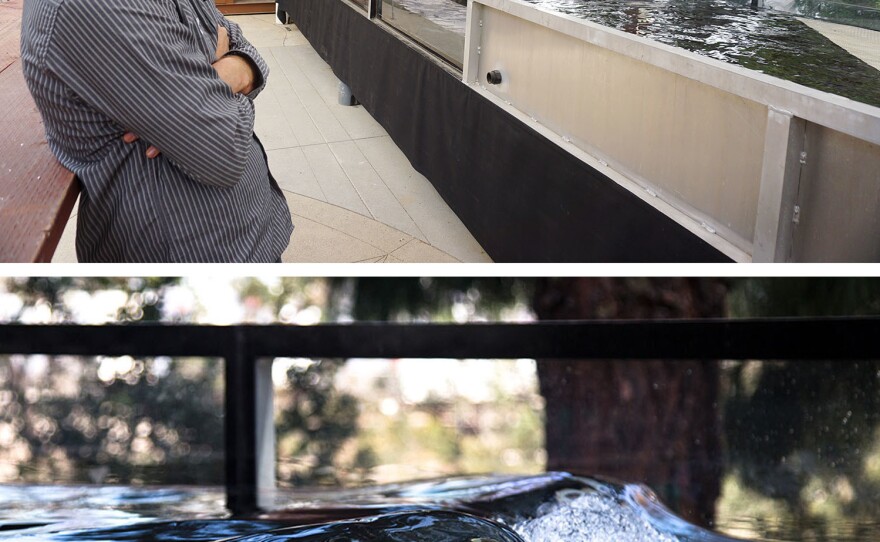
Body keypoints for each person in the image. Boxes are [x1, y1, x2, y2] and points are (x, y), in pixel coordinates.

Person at [20, 0, 294, 262]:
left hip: (247, 228)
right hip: (193, 249)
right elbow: (224, 146)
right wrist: (213, 80)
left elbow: (232, 36)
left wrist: (236, 69)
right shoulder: (97, 7)